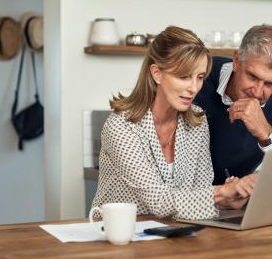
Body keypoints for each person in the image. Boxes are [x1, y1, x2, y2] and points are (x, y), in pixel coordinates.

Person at [92, 26, 250, 220]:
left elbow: (199, 192)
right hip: (118, 237)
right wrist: (220, 193)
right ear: (157, 73)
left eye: (199, 77)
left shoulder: (197, 123)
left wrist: (225, 201)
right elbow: (158, 200)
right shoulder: (121, 127)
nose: (194, 88)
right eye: (184, 76)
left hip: (175, 237)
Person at [194, 24, 272, 190]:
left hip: (236, 203)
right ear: (236, 60)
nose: (257, 91)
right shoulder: (199, 77)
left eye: (270, 83)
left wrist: (266, 133)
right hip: (186, 199)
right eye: (252, 76)